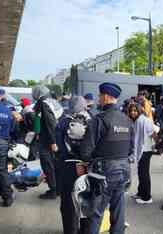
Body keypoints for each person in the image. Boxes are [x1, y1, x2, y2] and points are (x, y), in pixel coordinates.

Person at [86, 82, 134, 234]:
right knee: (118, 210)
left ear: (106, 97)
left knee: (96, 212)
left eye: (100, 96)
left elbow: (86, 150)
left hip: (104, 171)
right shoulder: (127, 120)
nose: (99, 99)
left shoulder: (99, 119)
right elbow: (131, 148)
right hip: (124, 170)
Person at [56, 96, 94, 234]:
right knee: (87, 198)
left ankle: (70, 230)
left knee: (68, 202)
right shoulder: (92, 120)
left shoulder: (63, 121)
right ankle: (87, 230)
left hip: (68, 165)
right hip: (87, 165)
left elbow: (59, 144)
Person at [32, 85, 59, 199]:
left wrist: (52, 141)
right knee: (54, 165)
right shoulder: (52, 101)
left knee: (47, 165)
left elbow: (49, 123)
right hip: (53, 137)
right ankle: (56, 188)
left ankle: (53, 190)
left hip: (47, 140)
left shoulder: (43, 102)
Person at [128, 103, 159, 204]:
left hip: (146, 151)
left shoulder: (144, 120)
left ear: (140, 110)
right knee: (141, 173)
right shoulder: (137, 120)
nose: (133, 112)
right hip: (142, 150)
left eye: (135, 110)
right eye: (131, 111)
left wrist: (157, 146)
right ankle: (141, 193)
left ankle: (147, 197)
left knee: (144, 173)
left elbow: (153, 133)